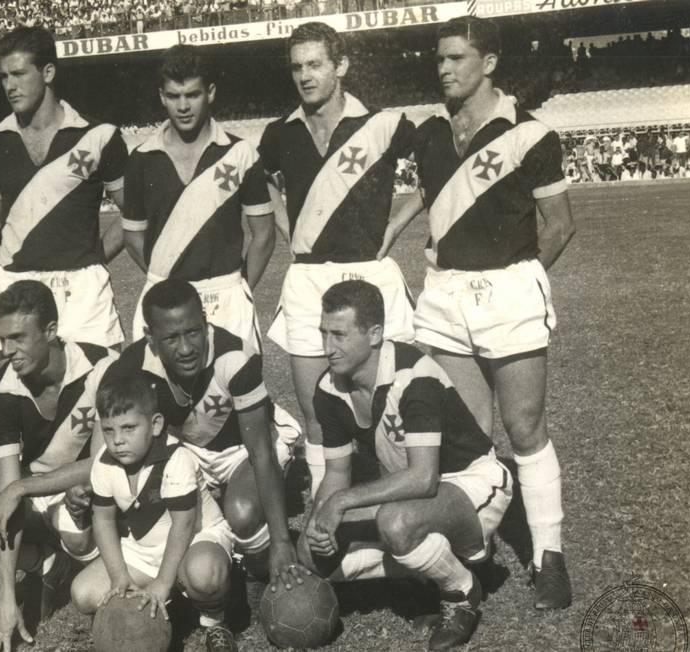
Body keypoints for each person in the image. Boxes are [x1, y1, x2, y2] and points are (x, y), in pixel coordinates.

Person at [382, 16, 576, 610]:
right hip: (444, 293)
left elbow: (560, 225)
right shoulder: (430, 133)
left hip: (508, 290)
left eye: (456, 58)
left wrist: (518, 280)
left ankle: (549, 557)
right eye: (439, 59)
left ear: (488, 63)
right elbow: (433, 191)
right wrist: (390, 230)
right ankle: (475, 543)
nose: (444, 69)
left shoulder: (529, 133)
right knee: (466, 434)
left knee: (524, 427)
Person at [300, 280, 512, 651]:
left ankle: (462, 590)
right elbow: (336, 473)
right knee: (310, 553)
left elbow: (424, 477)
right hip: (412, 491)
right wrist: (320, 523)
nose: (327, 347)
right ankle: (431, 569)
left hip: (473, 481)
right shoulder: (329, 388)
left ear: (374, 334)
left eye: (339, 335)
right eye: (324, 333)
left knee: (396, 523)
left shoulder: (414, 374)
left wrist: (341, 502)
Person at [257, 22, 416, 473]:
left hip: (370, 273)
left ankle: (402, 496)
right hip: (308, 278)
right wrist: (287, 228)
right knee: (316, 411)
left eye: (315, 64)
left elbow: (439, 167)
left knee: (395, 403)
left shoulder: (383, 124)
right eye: (297, 67)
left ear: (340, 65)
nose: (305, 76)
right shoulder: (279, 133)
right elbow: (260, 179)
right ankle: (330, 507)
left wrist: (395, 226)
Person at [0, 280, 118, 652]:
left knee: (77, 532)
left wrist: (20, 488)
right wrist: (5, 598)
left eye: (18, 338)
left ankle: (87, 561)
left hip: (88, 488)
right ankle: (45, 564)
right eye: (2, 340)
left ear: (50, 331)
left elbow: (104, 462)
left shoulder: (102, 365)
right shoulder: (4, 390)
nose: (7, 351)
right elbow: (9, 491)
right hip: (37, 489)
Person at [107, 279, 306, 603]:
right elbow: (113, 438)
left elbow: (260, 451)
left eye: (193, 332)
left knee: (242, 512)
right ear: (150, 338)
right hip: (186, 450)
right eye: (171, 338)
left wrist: (282, 541)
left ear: (204, 321)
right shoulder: (132, 366)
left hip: (240, 449)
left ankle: (257, 568)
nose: (186, 348)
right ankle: (200, 573)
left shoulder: (235, 356)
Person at [0, 26, 128, 353]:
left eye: (19, 74)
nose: (10, 86)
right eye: (4, 76)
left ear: (47, 72)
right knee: (21, 385)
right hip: (17, 289)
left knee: (101, 381)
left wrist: (94, 257)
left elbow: (133, 212)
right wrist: (21, 249)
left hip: (83, 292)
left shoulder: (98, 136)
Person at [70, 373, 237, 652]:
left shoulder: (176, 458)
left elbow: (184, 525)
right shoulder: (104, 462)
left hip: (196, 538)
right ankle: (171, 601)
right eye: (109, 430)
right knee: (83, 594)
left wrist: (162, 582)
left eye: (129, 428)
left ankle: (214, 619)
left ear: (155, 424)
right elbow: (103, 520)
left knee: (204, 574)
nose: (117, 440)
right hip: (145, 549)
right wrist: (119, 576)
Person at [123, 44, 274, 351]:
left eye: (192, 94)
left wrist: (239, 288)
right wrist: (164, 275)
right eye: (174, 96)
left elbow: (264, 234)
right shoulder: (141, 158)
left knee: (235, 381)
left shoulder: (240, 153)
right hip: (164, 300)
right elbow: (132, 236)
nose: (183, 106)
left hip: (226, 298)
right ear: (162, 96)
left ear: (210, 93)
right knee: (158, 382)